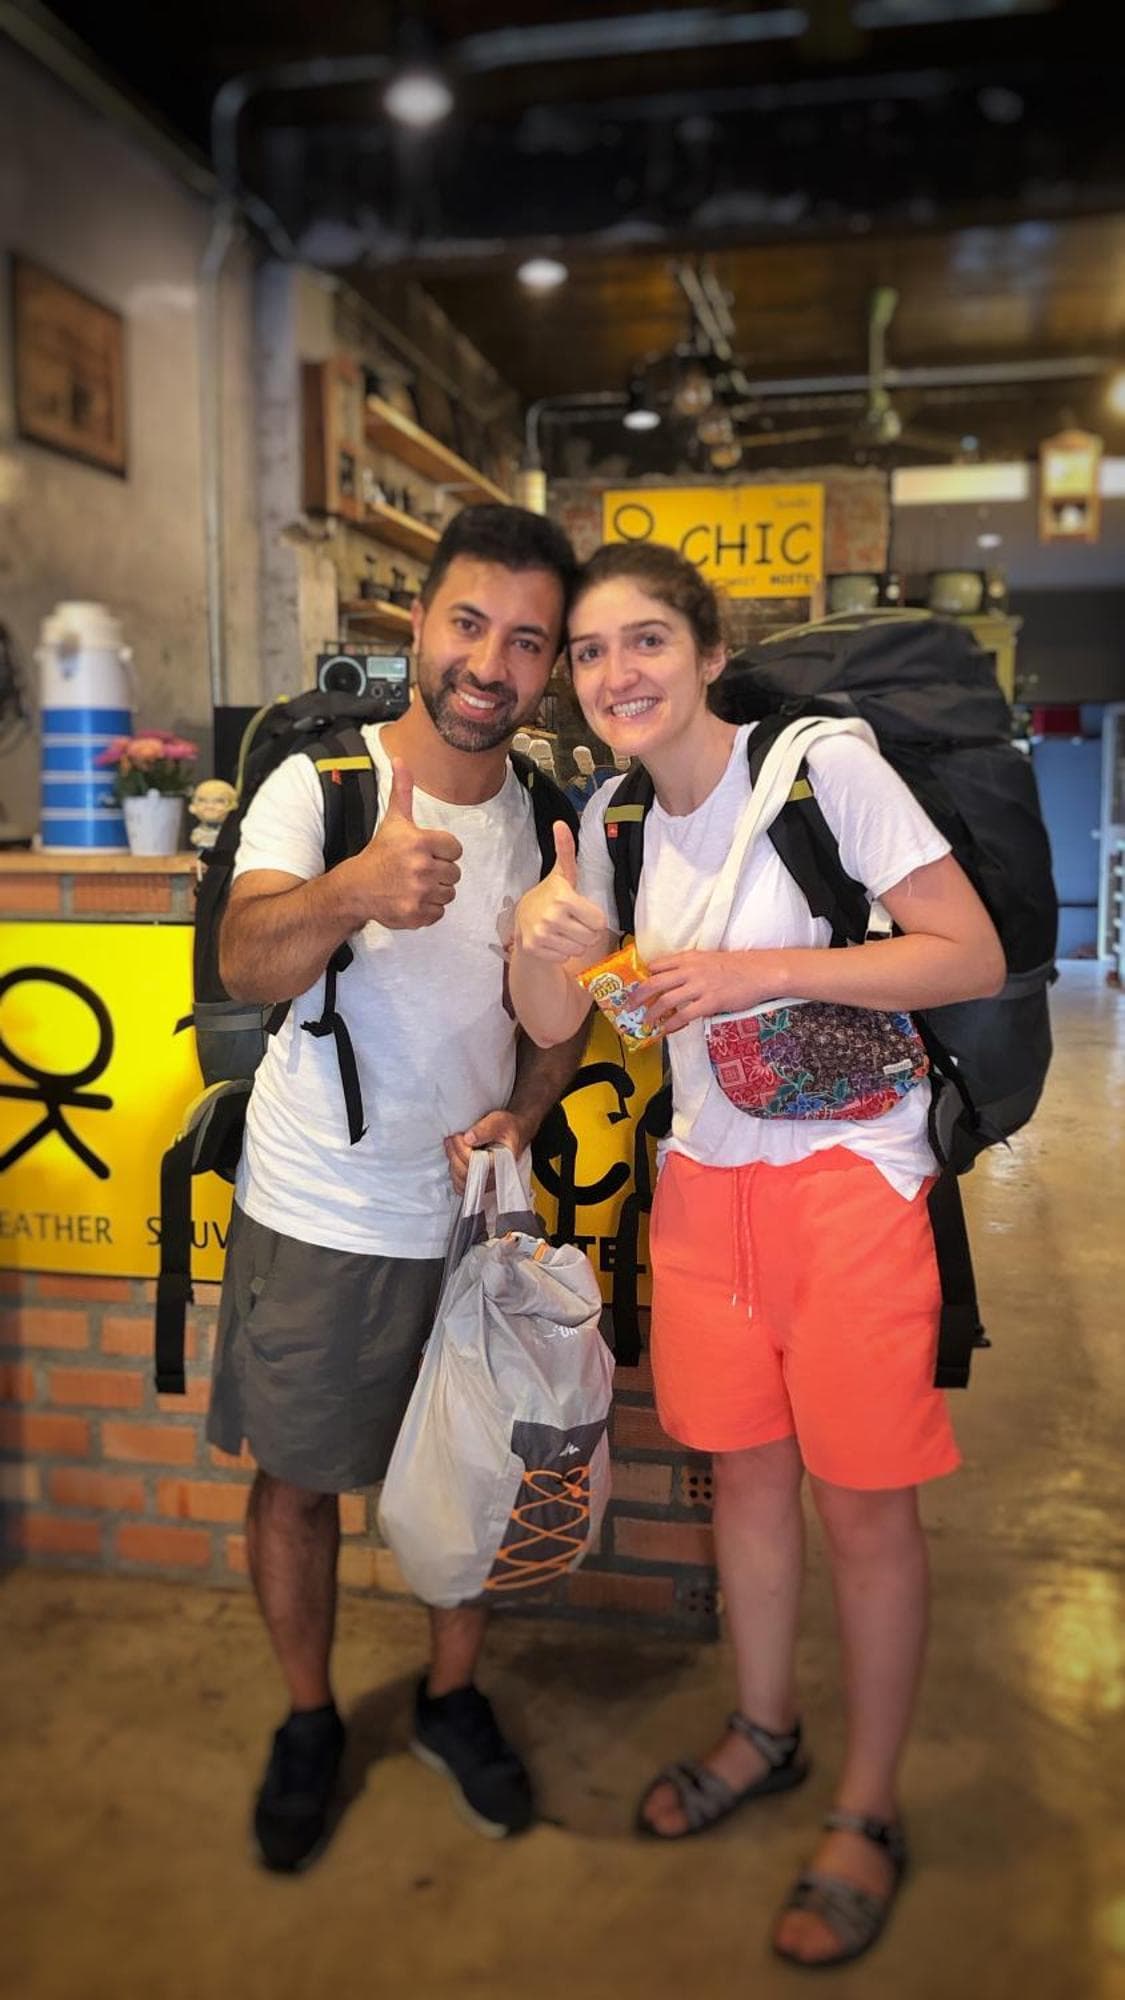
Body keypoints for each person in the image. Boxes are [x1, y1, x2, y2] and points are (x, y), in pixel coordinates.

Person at [509, 541, 1005, 1969]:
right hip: (703, 1186)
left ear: (710, 654)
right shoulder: (607, 818)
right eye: (590, 651)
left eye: (646, 640)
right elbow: (576, 1017)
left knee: (865, 1510)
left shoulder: (817, 770)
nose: (617, 673)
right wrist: (542, 938)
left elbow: (964, 954)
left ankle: (866, 1808)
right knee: (745, 1480)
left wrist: (757, 972)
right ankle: (764, 1731)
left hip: (851, 1182)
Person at [209, 503, 585, 1871]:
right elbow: (245, 962)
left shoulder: (552, 815)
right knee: (296, 1482)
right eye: (469, 624)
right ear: (418, 625)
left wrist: (522, 1115)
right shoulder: (319, 785)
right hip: (320, 1209)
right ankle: (310, 1720)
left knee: (481, 1477)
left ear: (551, 666)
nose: (491, 663)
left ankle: (448, 1697)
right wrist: (354, 889)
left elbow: (565, 1016)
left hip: (478, 1223)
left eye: (527, 641)